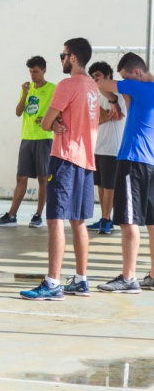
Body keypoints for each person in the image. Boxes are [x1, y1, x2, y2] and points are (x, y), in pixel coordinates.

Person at [20, 38, 98, 301]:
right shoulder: (92, 87)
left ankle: (53, 283)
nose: (61, 60)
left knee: (55, 220)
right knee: (79, 221)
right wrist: (54, 124)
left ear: (73, 57)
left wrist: (50, 124)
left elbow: (47, 122)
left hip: (64, 158)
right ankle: (81, 280)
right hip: (86, 161)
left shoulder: (68, 84)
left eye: (63, 55)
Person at [96, 52, 154, 293]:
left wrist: (113, 100)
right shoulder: (144, 92)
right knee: (152, 223)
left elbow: (101, 83)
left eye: (126, 78)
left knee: (128, 221)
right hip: (150, 162)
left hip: (133, 160)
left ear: (137, 73)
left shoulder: (140, 87)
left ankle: (128, 278)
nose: (124, 83)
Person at [0, 56, 55, 228]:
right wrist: (25, 94)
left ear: (44, 70)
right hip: (27, 138)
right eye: (30, 72)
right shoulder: (26, 89)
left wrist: (48, 119)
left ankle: (38, 215)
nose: (32, 75)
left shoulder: (53, 89)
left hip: (44, 138)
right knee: (21, 177)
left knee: (43, 178)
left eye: (35, 71)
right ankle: (12, 215)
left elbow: (60, 111)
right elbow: (18, 112)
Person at [87, 61, 126, 235]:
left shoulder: (118, 94)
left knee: (109, 186)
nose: (95, 80)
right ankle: (105, 218)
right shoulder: (96, 95)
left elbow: (110, 116)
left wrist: (101, 113)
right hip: (98, 146)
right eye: (93, 77)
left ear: (108, 76)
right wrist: (101, 113)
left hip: (112, 147)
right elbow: (96, 118)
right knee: (101, 185)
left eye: (98, 76)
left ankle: (106, 219)